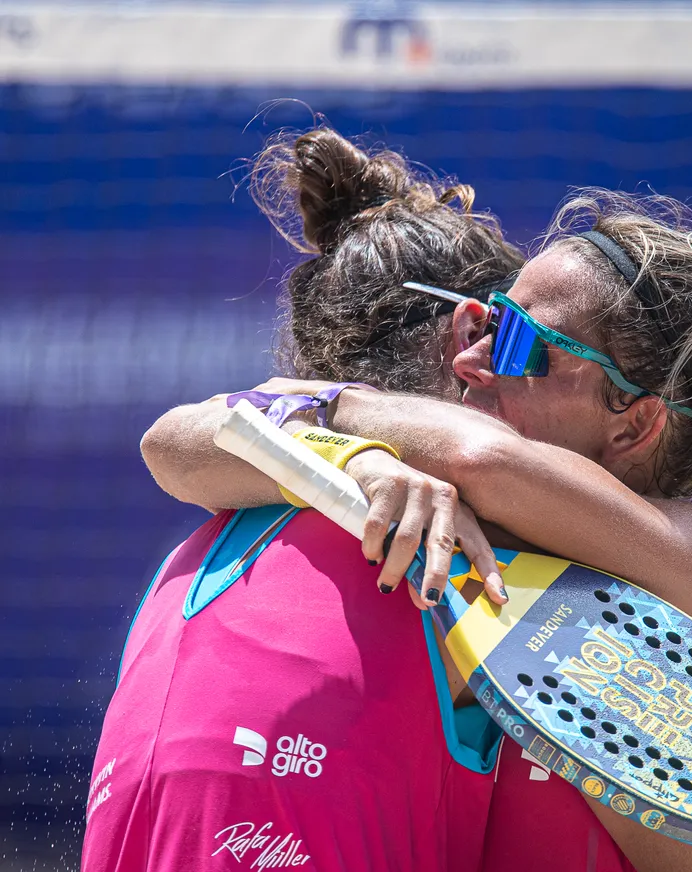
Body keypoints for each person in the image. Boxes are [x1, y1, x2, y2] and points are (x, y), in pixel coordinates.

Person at [141, 166, 692, 867]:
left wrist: (319, 407)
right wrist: (346, 454)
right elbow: (167, 445)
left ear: (634, 426)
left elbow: (481, 458)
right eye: (485, 320)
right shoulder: (439, 512)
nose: (470, 358)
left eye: (518, 339)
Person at [80, 127, 530, 872]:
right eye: (525, 347)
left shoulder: (194, 553)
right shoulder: (478, 562)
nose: (528, 378)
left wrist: (331, 429)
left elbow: (172, 441)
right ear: (472, 338)